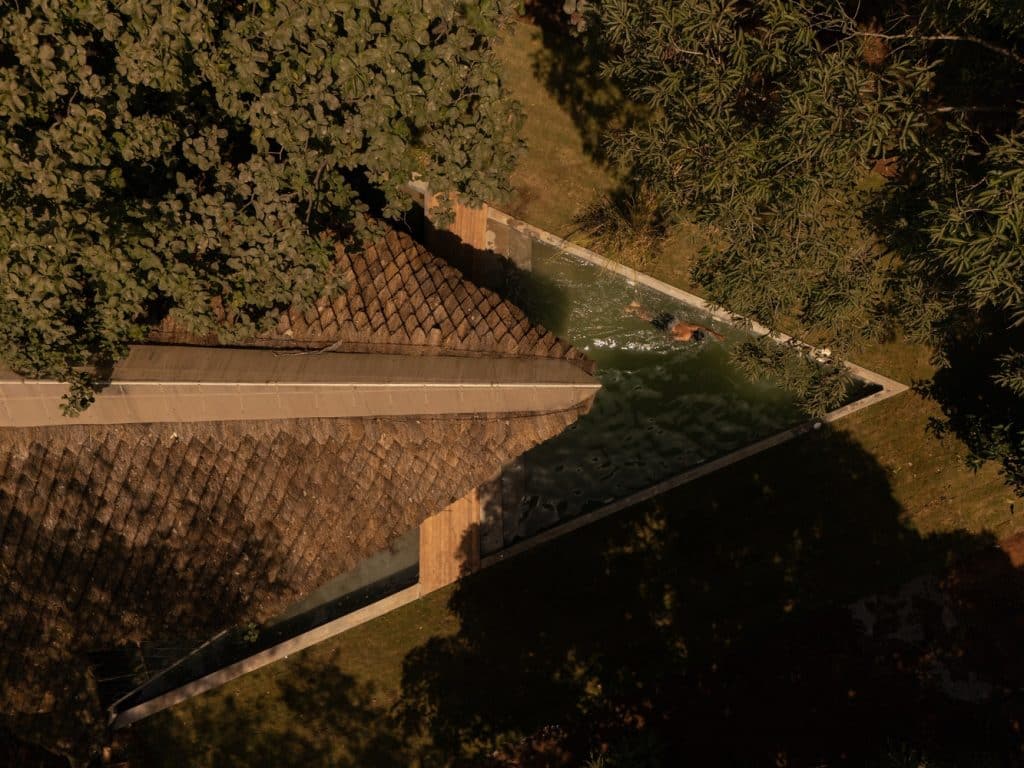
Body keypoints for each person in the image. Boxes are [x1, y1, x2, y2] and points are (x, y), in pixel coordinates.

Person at [625, 300, 724, 343]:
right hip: (667, 326)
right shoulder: (686, 338)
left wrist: (716, 334)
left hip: (673, 319)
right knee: (648, 319)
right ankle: (632, 310)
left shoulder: (692, 328)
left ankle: (637, 305)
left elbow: (706, 329)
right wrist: (668, 339)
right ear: (694, 338)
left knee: (655, 313)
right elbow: (673, 337)